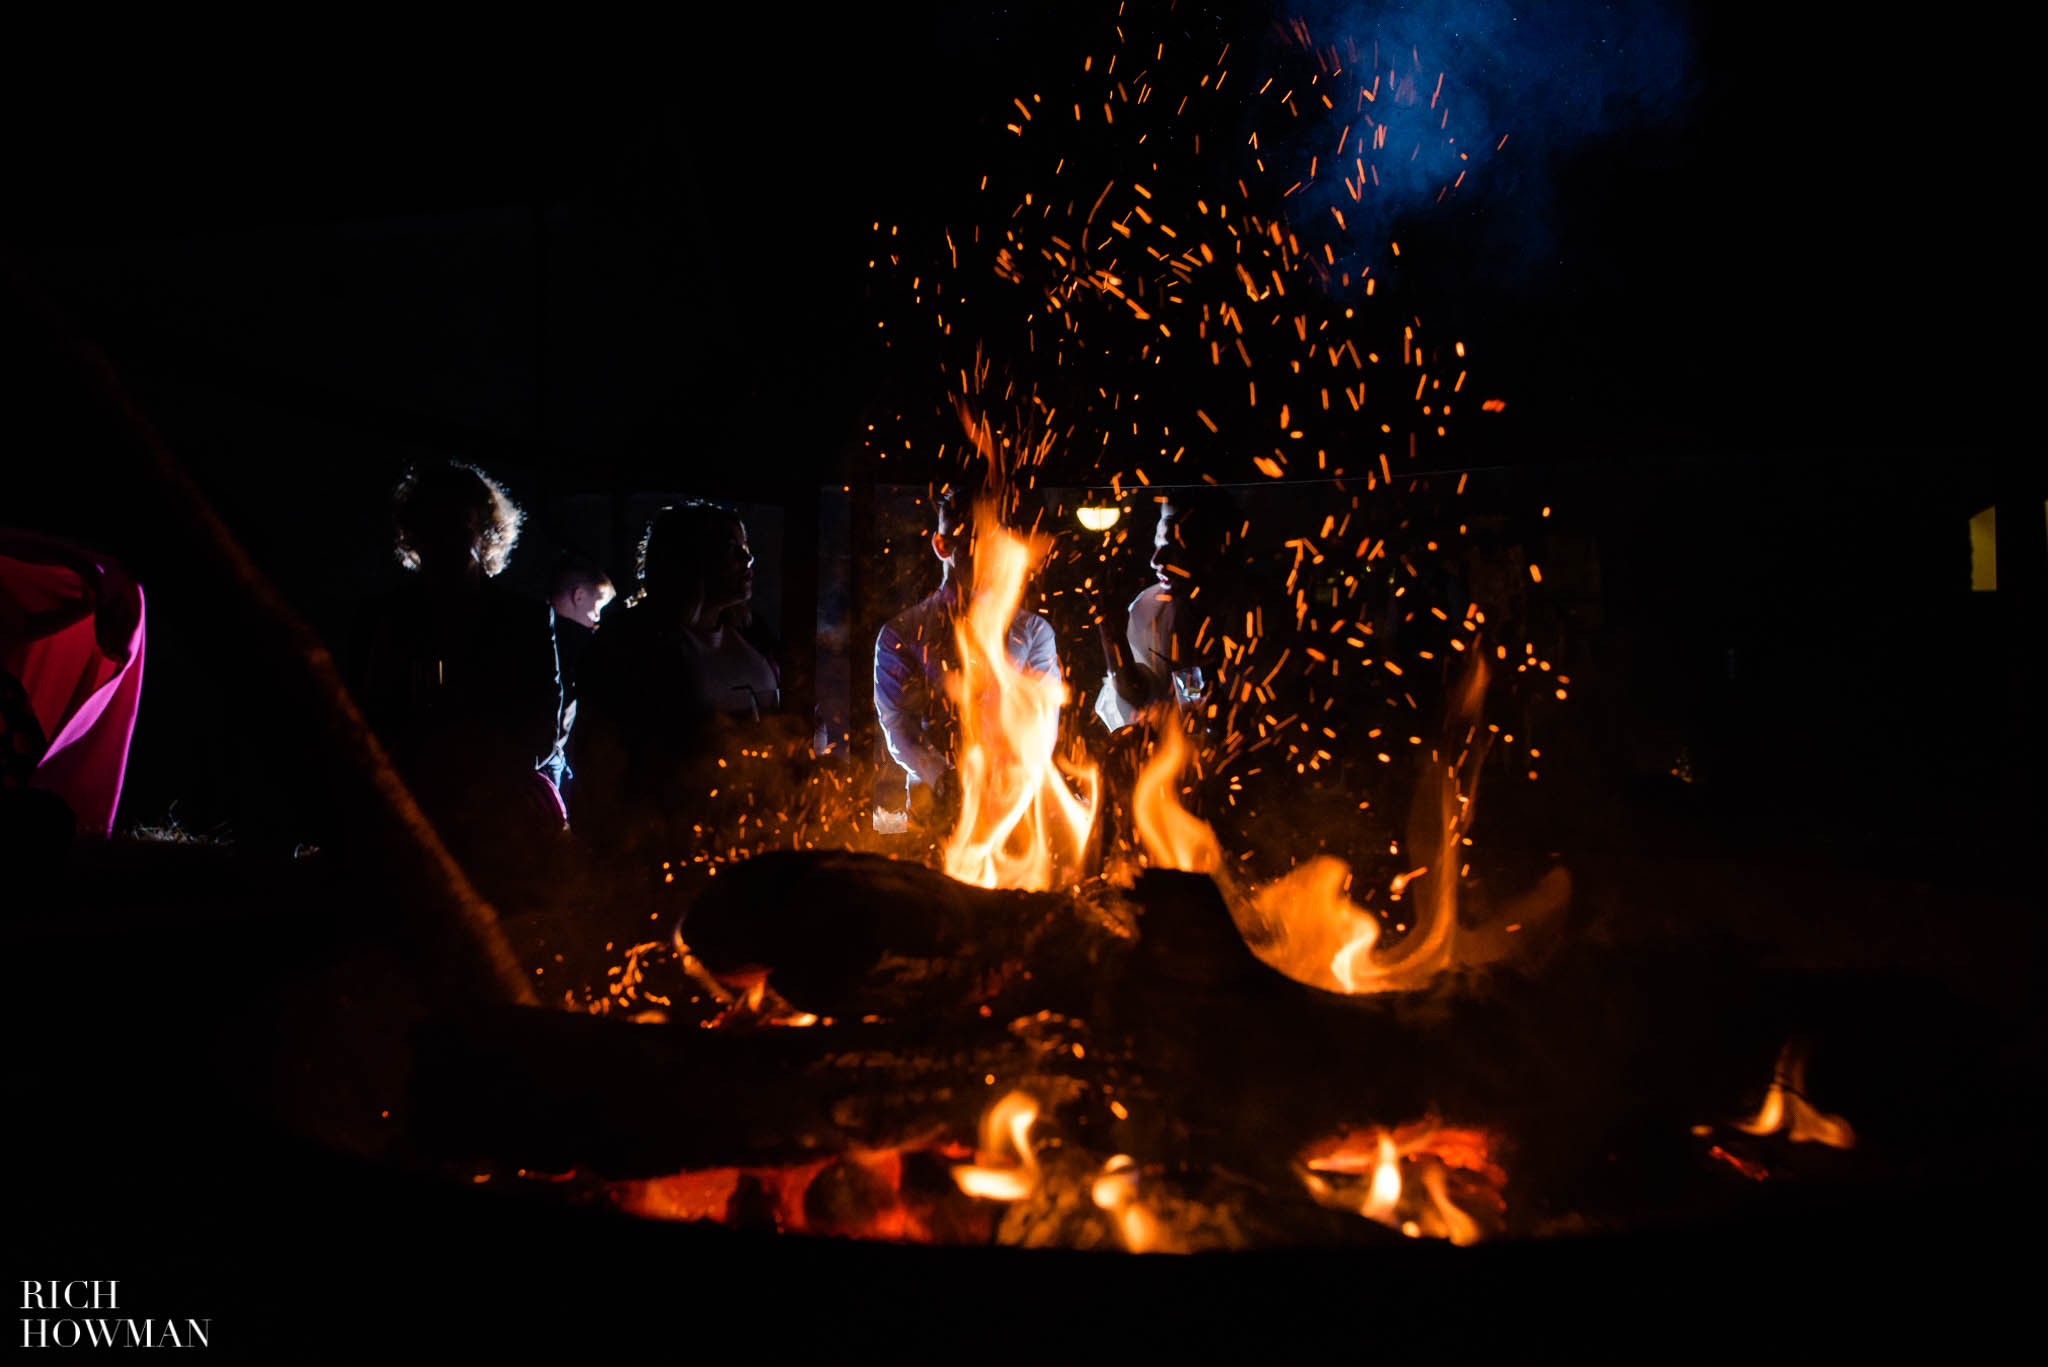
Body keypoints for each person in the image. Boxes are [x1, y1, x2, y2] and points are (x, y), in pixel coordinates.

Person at [351, 463, 563, 857]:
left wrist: (484, 774)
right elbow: (369, 714)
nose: (445, 538)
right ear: (414, 533)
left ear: (485, 532)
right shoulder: (386, 618)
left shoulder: (524, 618)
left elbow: (542, 724)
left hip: (497, 812)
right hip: (410, 806)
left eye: (458, 523)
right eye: (433, 524)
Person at [572, 501, 779, 841]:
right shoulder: (632, 641)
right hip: (669, 839)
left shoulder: (752, 634)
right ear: (690, 559)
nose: (747, 560)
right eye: (731, 550)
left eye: (746, 549)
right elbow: (603, 762)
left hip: (751, 833)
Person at [873, 487, 1059, 827]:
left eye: (996, 537)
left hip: (1013, 811)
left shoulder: (1034, 632)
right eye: (974, 536)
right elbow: (897, 722)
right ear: (942, 545)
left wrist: (1009, 775)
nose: (988, 549)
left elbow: (1042, 723)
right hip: (933, 810)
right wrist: (944, 778)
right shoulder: (901, 633)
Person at [1097, 486, 1245, 732]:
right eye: (1157, 544)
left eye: (1172, 548)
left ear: (1212, 549)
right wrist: (1111, 630)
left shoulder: (1251, 615)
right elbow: (1138, 697)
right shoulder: (1151, 607)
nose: (1156, 560)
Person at [541, 552, 614, 794]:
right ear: (579, 596)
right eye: (597, 609)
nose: (597, 620)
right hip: (547, 770)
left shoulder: (525, 630)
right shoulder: (580, 647)